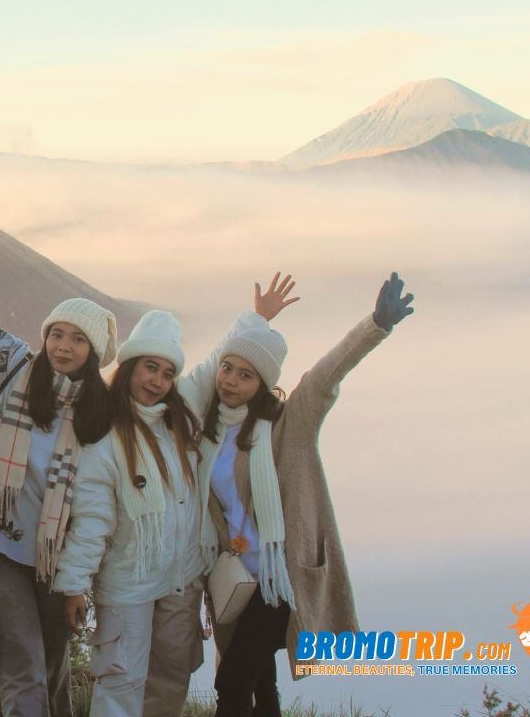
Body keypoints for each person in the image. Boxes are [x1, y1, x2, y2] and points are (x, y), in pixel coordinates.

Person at [182, 273, 414, 716]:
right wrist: (255, 317)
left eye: (245, 375)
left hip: (280, 580)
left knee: (232, 682)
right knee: (260, 682)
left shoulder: (289, 426)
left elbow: (327, 374)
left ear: (262, 383)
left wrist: (376, 325)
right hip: (237, 579)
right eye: (227, 369)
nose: (230, 381)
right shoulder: (207, 432)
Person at [0, 169, 117, 717]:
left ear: (94, 352)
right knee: (23, 658)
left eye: (77, 339)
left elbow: (96, 501)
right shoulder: (18, 365)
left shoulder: (102, 413)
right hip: (3, 548)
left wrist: (76, 580)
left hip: (56, 558)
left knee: (54, 663)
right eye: (57, 334)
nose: (63, 346)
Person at [52, 310, 210, 716]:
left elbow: (215, 366)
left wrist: (257, 320)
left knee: (170, 680)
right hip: (128, 584)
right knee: (121, 681)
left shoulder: (178, 426)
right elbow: (92, 520)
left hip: (181, 579)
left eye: (167, 374)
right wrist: (74, 584)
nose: (157, 381)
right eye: (149, 368)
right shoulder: (105, 436)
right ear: (129, 367)